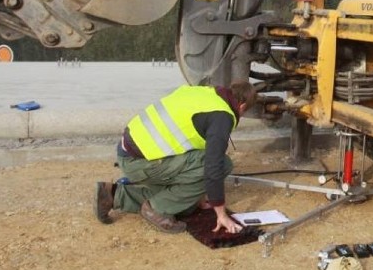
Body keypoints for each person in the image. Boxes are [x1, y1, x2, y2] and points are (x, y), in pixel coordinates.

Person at [94, 81, 257, 234]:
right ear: (242, 107)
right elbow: (213, 166)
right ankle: (157, 209)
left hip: (130, 152)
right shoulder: (223, 116)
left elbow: (189, 143)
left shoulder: (205, 93)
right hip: (139, 161)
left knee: (185, 202)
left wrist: (198, 194)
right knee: (223, 164)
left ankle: (113, 195)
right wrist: (221, 214)